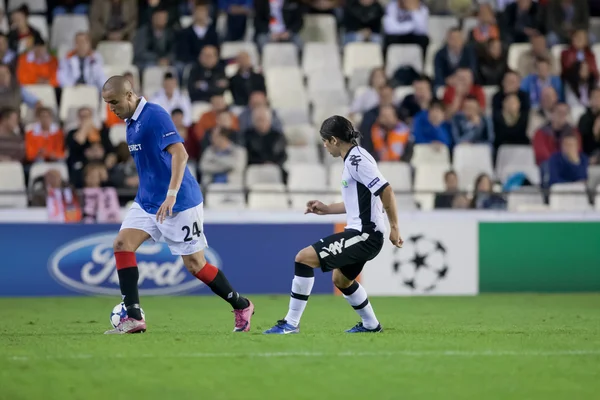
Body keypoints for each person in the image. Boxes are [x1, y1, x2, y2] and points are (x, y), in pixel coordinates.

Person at [101, 75, 254, 334]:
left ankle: (241, 305)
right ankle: (134, 316)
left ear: (129, 95)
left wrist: (171, 194)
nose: (111, 108)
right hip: (147, 201)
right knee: (121, 244)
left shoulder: (155, 115)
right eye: (107, 103)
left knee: (196, 265)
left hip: (179, 201)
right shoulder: (130, 123)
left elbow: (180, 154)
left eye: (114, 102)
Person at [264, 115, 403, 334]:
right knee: (341, 280)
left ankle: (291, 323)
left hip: (364, 235)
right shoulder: (355, 158)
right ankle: (371, 325)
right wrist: (327, 208)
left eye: (325, 141)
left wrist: (395, 226)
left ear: (334, 140)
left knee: (303, 259)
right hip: (363, 234)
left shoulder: (357, 161)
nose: (325, 146)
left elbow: (386, 190)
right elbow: (357, 202)